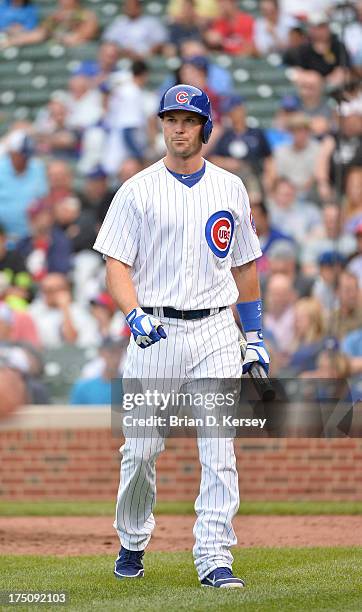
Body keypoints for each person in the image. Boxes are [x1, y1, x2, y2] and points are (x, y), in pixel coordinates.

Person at [93, 84, 269, 587]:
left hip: (215, 326)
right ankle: (132, 538)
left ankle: (214, 556)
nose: (179, 128)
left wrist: (252, 333)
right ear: (161, 125)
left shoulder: (230, 187)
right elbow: (116, 262)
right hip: (157, 329)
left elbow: (245, 264)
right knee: (141, 449)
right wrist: (132, 313)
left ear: (205, 128)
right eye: (171, 119)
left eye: (189, 120)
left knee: (219, 447)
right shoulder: (137, 188)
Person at [0, 130, 48, 240]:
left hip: (31, 236)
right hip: (2, 235)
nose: (26, 159)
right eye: (22, 155)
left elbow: (43, 199)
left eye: (28, 155)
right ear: (12, 153)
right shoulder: (1, 168)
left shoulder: (37, 168)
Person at [1, 0, 98, 48]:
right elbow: (40, 33)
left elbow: (85, 35)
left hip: (78, 51)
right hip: (56, 47)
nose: (62, 1)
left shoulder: (86, 15)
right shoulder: (55, 17)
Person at [70, 337, 126, 405]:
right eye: (112, 352)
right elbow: (74, 414)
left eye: (119, 352)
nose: (116, 358)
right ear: (102, 353)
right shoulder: (83, 387)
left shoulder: (131, 387)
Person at [103, 0, 167, 59]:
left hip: (146, 57)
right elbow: (109, 40)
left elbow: (160, 42)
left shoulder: (150, 22)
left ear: (139, 8)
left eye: (132, 6)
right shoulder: (119, 22)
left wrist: (146, 54)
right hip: (123, 56)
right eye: (127, 6)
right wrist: (122, 51)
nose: (129, 9)